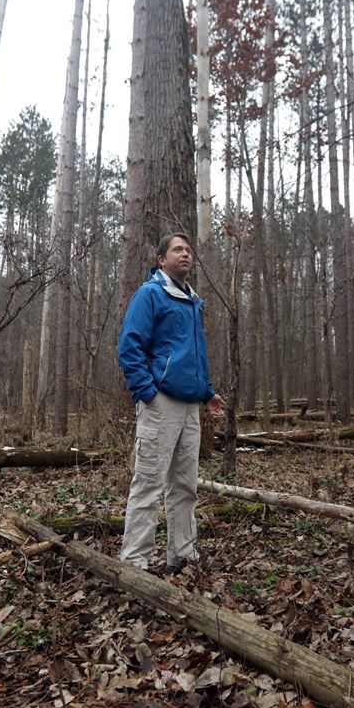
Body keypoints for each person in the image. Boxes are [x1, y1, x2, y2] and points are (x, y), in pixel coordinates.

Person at [118, 232, 225, 573]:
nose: (186, 254)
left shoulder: (193, 301)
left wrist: (207, 392)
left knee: (185, 484)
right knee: (149, 481)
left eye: (188, 250)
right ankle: (135, 562)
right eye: (178, 250)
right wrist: (147, 393)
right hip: (160, 403)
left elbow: (192, 356)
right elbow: (129, 348)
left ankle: (182, 554)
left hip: (191, 407)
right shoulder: (150, 295)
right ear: (161, 260)